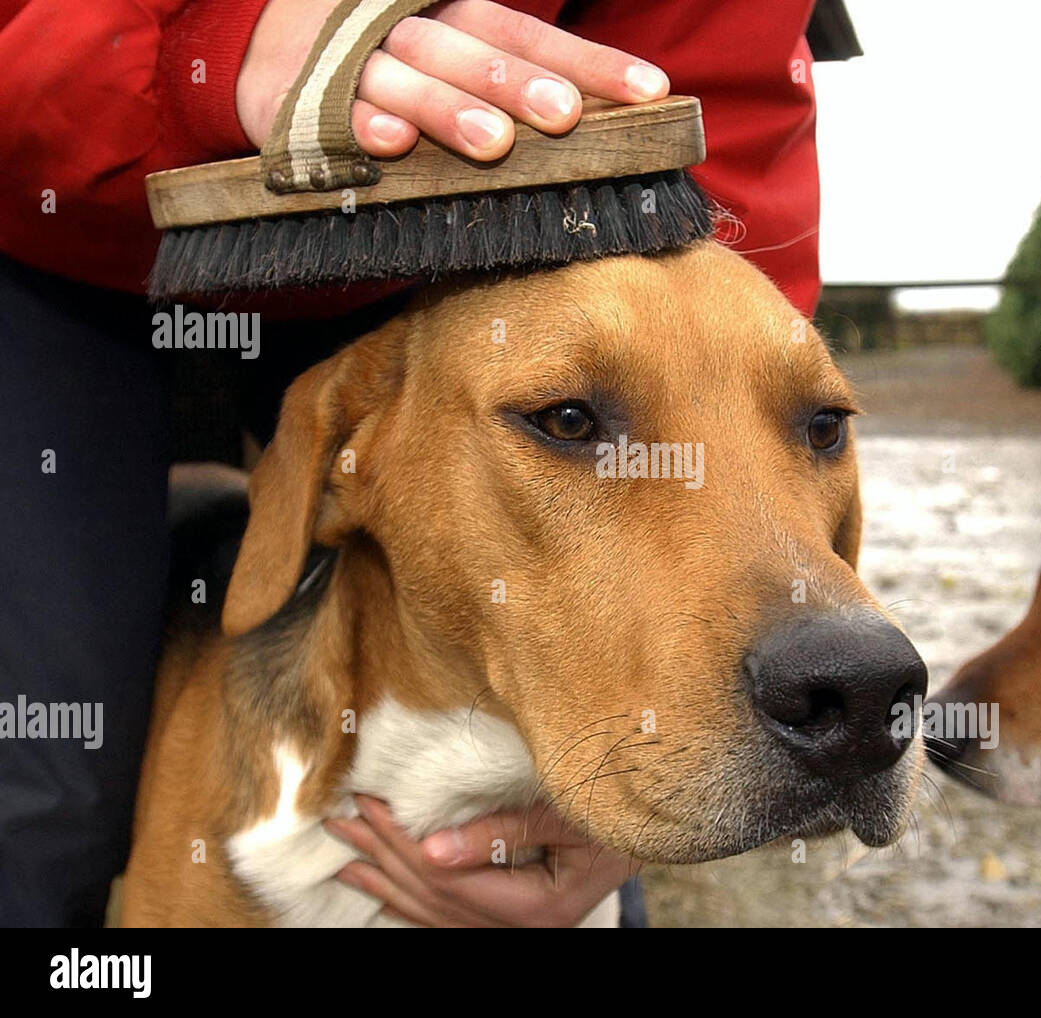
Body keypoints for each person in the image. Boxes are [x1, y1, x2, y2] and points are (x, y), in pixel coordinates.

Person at [0, 0, 823, 926]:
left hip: (455, 226)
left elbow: (726, 82)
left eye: (827, 430)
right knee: (43, 784)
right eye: (567, 420)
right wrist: (203, 55)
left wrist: (618, 815)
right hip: (50, 219)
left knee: (601, 782)